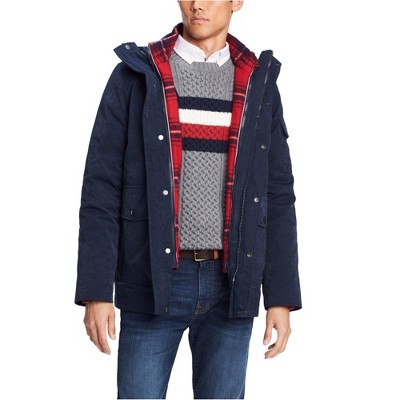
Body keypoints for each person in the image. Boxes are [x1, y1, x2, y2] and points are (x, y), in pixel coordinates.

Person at [75, 1, 302, 398]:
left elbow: (276, 194)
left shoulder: (258, 82)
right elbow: (101, 186)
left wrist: (280, 297)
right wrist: (96, 290)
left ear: (237, 2)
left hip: (232, 282)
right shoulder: (138, 73)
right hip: (152, 278)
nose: (197, 4)